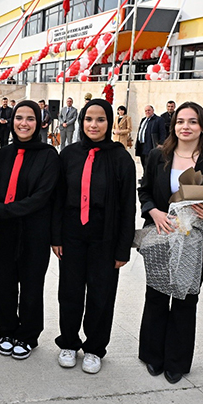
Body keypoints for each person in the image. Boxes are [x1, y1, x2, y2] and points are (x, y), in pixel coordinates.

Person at [138, 101, 203, 385]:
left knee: (186, 299)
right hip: (161, 236)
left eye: (192, 121)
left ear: (202, 126)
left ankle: (177, 362)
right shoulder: (158, 155)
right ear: (173, 125)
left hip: (198, 241)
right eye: (180, 121)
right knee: (156, 296)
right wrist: (153, 212)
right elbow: (145, 191)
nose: (185, 127)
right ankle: (152, 354)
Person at [52, 99, 136, 374]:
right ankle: (68, 342)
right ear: (81, 122)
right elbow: (58, 199)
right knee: (70, 292)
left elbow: (128, 206)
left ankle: (94, 348)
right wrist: (56, 237)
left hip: (105, 238)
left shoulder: (121, 158)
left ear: (109, 123)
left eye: (100, 120)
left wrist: (123, 249)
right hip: (72, 236)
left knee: (101, 295)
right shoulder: (69, 155)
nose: (94, 125)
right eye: (89, 119)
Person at [0, 100, 60, 360]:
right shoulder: (3, 154)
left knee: (32, 283)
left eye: (30, 118)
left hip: (35, 230)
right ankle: (7, 330)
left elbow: (41, 197)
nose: (24, 123)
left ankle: (28, 335)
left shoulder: (49, 155)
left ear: (39, 122)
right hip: (6, 229)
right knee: (4, 281)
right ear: (11, 122)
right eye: (19, 118)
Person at [135, 105, 166, 174]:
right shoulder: (143, 120)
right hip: (141, 145)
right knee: (143, 162)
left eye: (149, 110)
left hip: (150, 145)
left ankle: (147, 177)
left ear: (153, 111)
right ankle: (144, 176)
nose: (147, 112)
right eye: (146, 111)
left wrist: (161, 143)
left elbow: (162, 132)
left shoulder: (158, 120)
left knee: (149, 163)